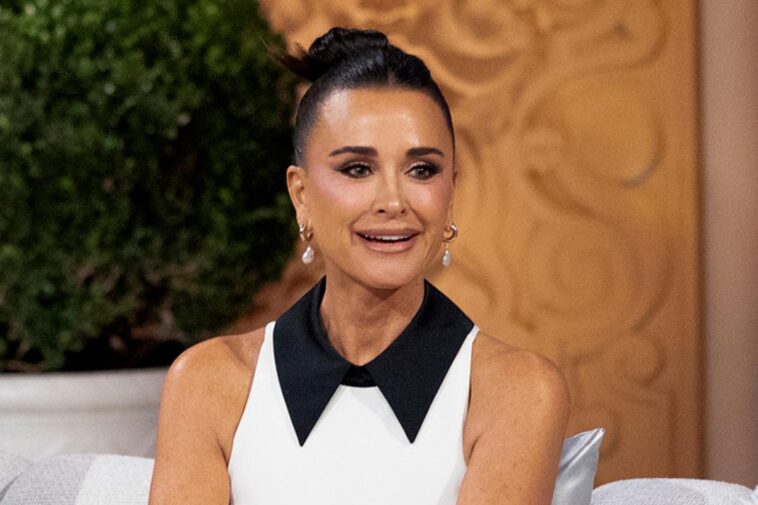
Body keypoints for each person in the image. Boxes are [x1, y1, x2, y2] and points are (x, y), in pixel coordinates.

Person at [148, 27, 570, 505]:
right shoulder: (208, 383)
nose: (393, 200)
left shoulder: (518, 392)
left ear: (450, 191)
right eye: (357, 169)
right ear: (301, 195)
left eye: (422, 170)